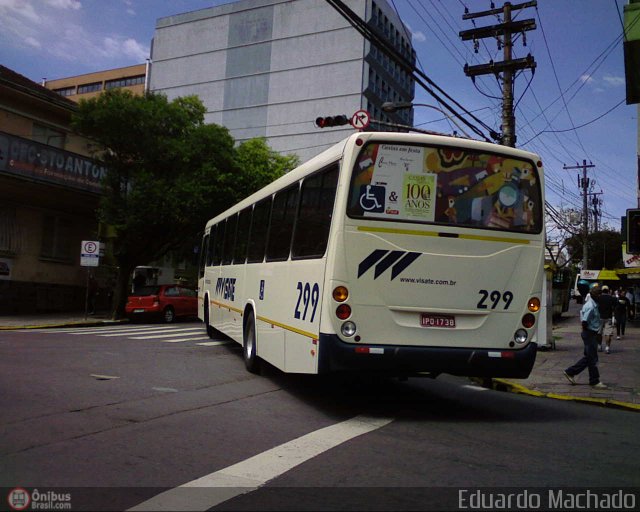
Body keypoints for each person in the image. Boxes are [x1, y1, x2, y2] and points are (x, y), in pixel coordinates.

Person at [563, 285, 607, 389]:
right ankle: (594, 380)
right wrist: (587, 332)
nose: (601, 296)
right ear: (595, 295)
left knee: (589, 357)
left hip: (590, 333)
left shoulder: (594, 304)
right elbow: (584, 321)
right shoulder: (590, 306)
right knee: (592, 359)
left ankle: (570, 372)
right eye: (599, 294)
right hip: (589, 333)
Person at [598, 285, 617, 354]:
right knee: (608, 333)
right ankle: (607, 347)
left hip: (599, 317)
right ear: (608, 291)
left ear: (602, 291)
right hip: (608, 317)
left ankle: (599, 346)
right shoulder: (612, 298)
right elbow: (615, 307)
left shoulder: (598, 298)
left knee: (599, 333)